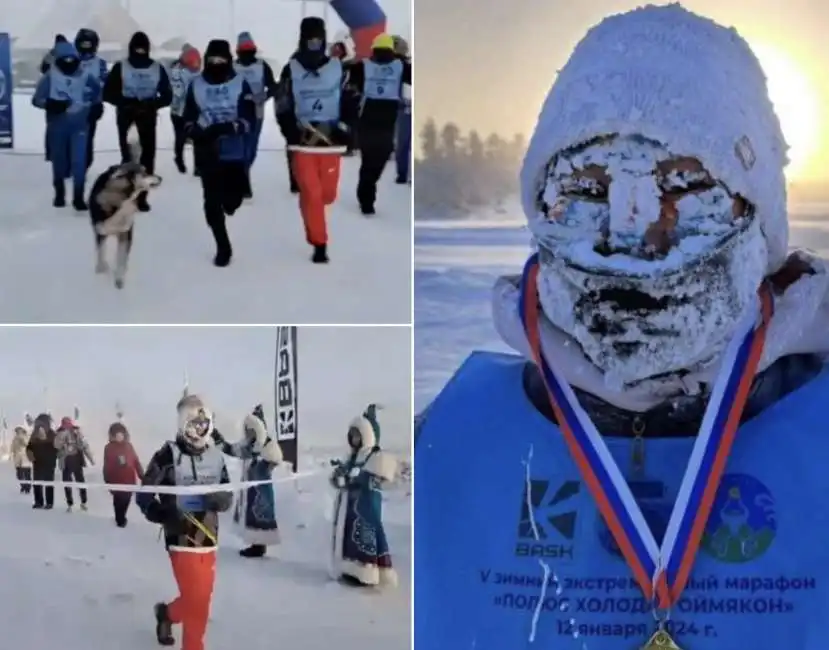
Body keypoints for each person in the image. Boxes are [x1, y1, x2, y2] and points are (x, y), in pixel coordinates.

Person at [414, 5, 829, 650]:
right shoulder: (440, 446)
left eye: (685, 186)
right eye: (586, 189)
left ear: (761, 215)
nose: (634, 238)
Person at [136, 394, 232, 650]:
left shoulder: (216, 457)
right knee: (196, 604)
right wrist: (158, 512)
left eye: (204, 425)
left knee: (200, 601)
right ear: (183, 424)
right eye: (194, 424)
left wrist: (219, 500)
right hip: (180, 537)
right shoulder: (167, 455)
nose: (199, 430)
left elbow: (228, 494)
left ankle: (166, 614)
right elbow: (144, 493)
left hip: (208, 538)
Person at [275, 16, 359, 264]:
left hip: (331, 141)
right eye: (309, 39)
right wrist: (289, 129)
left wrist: (347, 128)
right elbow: (282, 102)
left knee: (327, 196)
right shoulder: (291, 68)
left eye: (317, 39)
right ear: (302, 39)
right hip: (303, 142)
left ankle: (311, 214)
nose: (313, 44)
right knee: (312, 193)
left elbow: (351, 99)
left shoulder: (338, 68)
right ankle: (319, 244)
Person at [181, 38, 256, 268]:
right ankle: (223, 246)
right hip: (207, 150)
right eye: (211, 60)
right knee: (211, 202)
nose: (216, 64)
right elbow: (187, 119)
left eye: (220, 60)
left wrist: (229, 127)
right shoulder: (196, 85)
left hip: (233, 150)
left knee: (232, 201)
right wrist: (195, 132)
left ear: (229, 61)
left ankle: (230, 203)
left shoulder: (241, 83)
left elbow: (249, 120)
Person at [103, 31, 173, 212]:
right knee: (128, 158)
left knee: (148, 159)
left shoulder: (157, 68)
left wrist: (153, 104)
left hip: (147, 117)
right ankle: (127, 193)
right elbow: (108, 93)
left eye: (143, 49)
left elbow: (167, 95)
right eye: (137, 49)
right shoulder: (121, 67)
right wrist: (126, 103)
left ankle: (142, 196)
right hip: (127, 116)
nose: (140, 52)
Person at [330, 403, 397, 587]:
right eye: (352, 435)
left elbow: (379, 477)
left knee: (365, 537)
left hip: (367, 507)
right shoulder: (352, 457)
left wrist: (359, 478)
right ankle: (352, 569)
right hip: (350, 506)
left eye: (358, 435)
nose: (354, 439)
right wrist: (339, 477)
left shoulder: (375, 456)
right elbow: (341, 477)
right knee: (351, 538)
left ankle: (367, 573)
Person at [32, 40, 102, 210]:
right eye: (65, 60)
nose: (69, 64)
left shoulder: (86, 76)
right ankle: (59, 191)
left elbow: (97, 93)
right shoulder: (50, 76)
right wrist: (50, 104)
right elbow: (36, 99)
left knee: (79, 161)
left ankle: (78, 197)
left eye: (72, 60)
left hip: (80, 125)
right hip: (57, 126)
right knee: (59, 162)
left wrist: (96, 107)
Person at [347, 33, 411, 215]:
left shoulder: (362, 66)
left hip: (367, 119)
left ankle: (365, 194)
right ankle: (367, 196)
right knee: (379, 157)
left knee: (369, 160)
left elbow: (350, 84)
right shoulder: (399, 66)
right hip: (385, 120)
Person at [212, 404, 282, 558]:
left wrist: (262, 448)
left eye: (251, 429)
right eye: (247, 430)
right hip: (249, 490)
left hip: (261, 492)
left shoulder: (267, 445)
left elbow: (276, 458)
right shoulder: (247, 446)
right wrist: (215, 436)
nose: (249, 433)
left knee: (259, 515)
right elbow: (230, 449)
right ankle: (255, 544)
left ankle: (259, 545)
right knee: (251, 517)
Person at [233, 31, 278, 199]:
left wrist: (264, 96)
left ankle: (242, 174)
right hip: (236, 112)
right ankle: (243, 184)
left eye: (249, 49)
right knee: (240, 149)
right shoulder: (233, 67)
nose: (246, 53)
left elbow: (273, 86)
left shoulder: (261, 66)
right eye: (243, 50)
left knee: (251, 150)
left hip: (256, 112)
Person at [74, 28, 108, 170]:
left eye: (89, 44)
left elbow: (105, 82)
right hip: (72, 106)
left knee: (88, 138)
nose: (86, 48)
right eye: (84, 44)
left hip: (92, 105)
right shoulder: (70, 60)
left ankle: (84, 164)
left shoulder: (100, 63)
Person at [102, 420, 143, 527]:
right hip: (116, 480)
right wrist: (107, 480)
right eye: (117, 434)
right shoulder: (109, 448)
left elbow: (136, 461)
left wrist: (142, 475)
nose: (119, 437)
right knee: (118, 501)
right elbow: (107, 465)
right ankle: (119, 519)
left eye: (121, 434)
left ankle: (122, 516)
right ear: (112, 435)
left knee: (126, 500)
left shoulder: (129, 446)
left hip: (129, 480)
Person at [169, 44, 201, 175]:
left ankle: (198, 167)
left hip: (195, 111)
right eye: (192, 60)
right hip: (179, 111)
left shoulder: (200, 73)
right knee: (180, 137)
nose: (195, 63)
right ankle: (179, 158)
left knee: (199, 139)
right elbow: (178, 92)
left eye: (197, 60)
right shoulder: (177, 72)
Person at [55, 416, 94, 512]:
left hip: (77, 460)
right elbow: (56, 446)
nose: (68, 427)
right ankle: (70, 503)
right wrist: (61, 437)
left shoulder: (77, 432)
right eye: (66, 425)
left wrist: (91, 459)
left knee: (81, 482)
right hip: (66, 461)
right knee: (67, 483)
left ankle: (83, 502)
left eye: (69, 425)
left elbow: (85, 446)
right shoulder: (59, 433)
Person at [26, 413, 57, 509]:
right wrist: (32, 458)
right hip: (38, 462)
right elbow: (29, 448)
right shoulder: (34, 434)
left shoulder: (52, 434)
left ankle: (49, 502)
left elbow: (57, 447)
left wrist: (54, 457)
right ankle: (39, 501)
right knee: (37, 483)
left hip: (48, 462)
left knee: (48, 483)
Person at [391, 35, 411, 185]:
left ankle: (403, 174)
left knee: (402, 142)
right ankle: (404, 174)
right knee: (404, 143)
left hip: (402, 107)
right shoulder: (404, 65)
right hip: (403, 106)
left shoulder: (400, 65)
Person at [11, 425, 32, 494]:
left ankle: (28, 487)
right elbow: (13, 448)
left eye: (19, 430)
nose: (18, 432)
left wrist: (22, 439)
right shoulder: (15, 438)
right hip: (18, 459)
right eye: (17, 431)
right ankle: (23, 485)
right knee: (19, 475)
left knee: (27, 474)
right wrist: (12, 454)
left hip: (26, 458)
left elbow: (27, 444)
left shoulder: (26, 437)